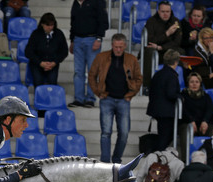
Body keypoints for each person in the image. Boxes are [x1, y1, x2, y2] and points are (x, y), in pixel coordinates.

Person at [88, 33, 142, 164]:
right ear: (112, 45)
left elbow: (138, 78)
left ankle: (117, 159)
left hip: (124, 99)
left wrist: (131, 94)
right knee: (105, 132)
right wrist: (98, 92)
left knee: (124, 133)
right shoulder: (101, 57)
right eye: (116, 47)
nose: (118, 49)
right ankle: (105, 161)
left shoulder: (132, 59)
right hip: (106, 98)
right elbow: (92, 75)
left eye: (121, 47)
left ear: (125, 46)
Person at [68, 0, 108, 108]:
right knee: (78, 71)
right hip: (77, 40)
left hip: (92, 39)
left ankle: (90, 98)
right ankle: (78, 99)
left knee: (92, 71)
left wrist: (99, 38)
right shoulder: (75, 3)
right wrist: (72, 40)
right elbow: (73, 22)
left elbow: (103, 20)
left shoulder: (97, 2)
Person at [147, 49, 181, 153]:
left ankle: (156, 153)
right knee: (165, 137)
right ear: (176, 62)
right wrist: (180, 97)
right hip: (166, 111)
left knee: (163, 135)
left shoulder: (158, 74)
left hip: (156, 109)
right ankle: (158, 157)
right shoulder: (171, 75)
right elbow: (171, 94)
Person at [24, 13, 68, 88]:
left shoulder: (59, 34)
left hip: (53, 64)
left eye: (52, 25)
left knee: (52, 84)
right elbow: (28, 51)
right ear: (42, 24)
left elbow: (64, 51)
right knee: (38, 83)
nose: (50, 27)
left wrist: (55, 62)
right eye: (48, 25)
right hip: (37, 63)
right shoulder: (36, 34)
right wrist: (40, 62)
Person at [182, 72, 213, 137]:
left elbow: (209, 109)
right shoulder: (183, 95)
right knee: (187, 130)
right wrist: (191, 121)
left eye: (197, 82)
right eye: (192, 82)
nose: (194, 84)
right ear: (188, 83)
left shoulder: (205, 96)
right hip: (187, 123)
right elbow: (183, 111)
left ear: (200, 84)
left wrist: (205, 121)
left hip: (203, 123)